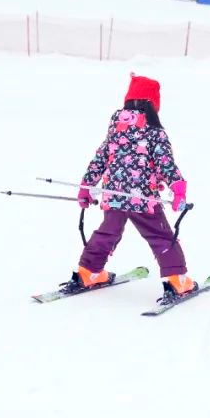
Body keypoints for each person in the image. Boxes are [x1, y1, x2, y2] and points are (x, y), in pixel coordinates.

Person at [69, 75, 197, 303]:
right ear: (153, 104)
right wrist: (178, 189)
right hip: (142, 198)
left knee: (108, 233)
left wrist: (87, 187)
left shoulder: (116, 130)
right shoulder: (155, 133)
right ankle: (177, 280)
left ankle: (88, 272)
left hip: (115, 195)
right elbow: (165, 163)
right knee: (160, 235)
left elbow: (99, 159)